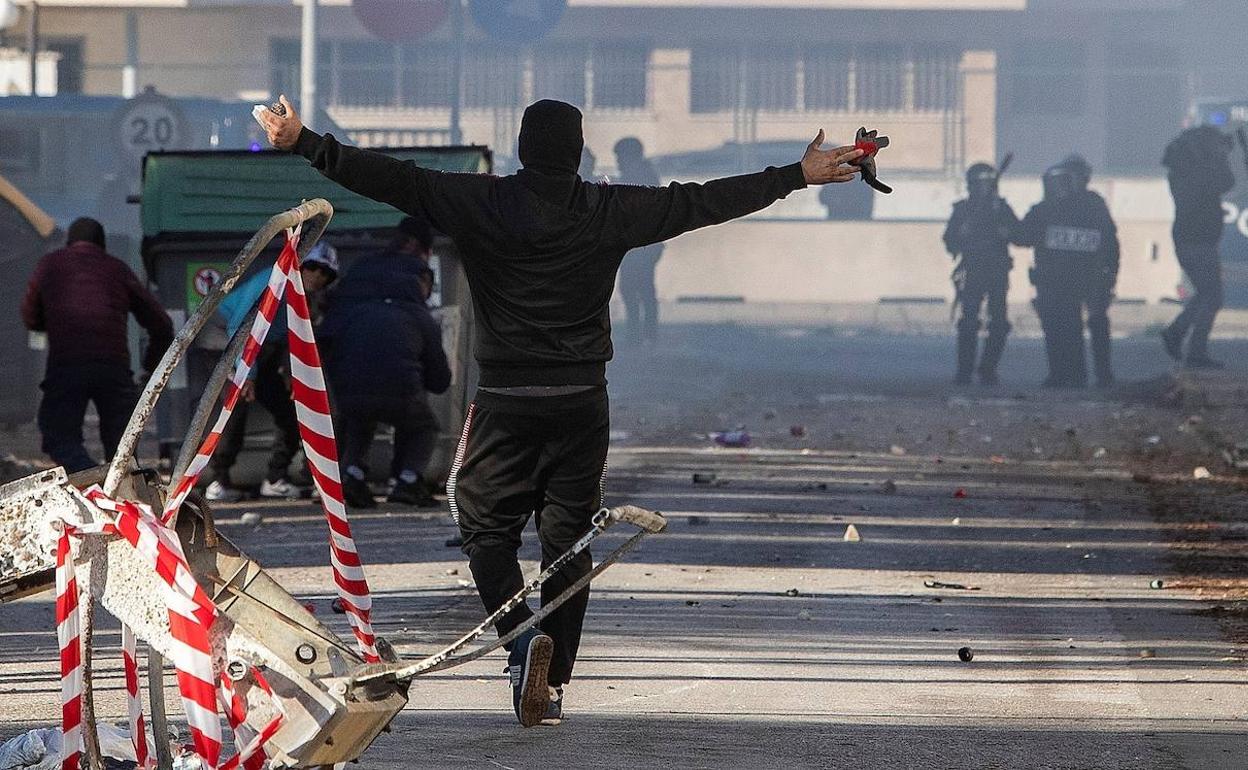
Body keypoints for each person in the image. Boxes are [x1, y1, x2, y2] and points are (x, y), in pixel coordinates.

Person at [259, 94, 863, 728]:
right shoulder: (610, 209)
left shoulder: (480, 201)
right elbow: (701, 201)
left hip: (506, 401)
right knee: (567, 541)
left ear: (523, 148)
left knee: (485, 528)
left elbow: (387, 176)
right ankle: (553, 677)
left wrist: (304, 140)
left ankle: (522, 648)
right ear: (578, 151)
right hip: (581, 401)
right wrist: (796, 175)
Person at [319, 216, 452, 509]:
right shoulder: (417, 313)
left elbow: (325, 337)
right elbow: (440, 380)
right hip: (400, 388)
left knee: (358, 416)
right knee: (422, 423)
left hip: (348, 383)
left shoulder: (355, 287)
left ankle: (351, 475)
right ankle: (406, 480)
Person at [21, 218, 173, 472]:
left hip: (66, 366)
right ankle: (121, 493)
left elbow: (30, 314)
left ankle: (86, 475)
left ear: (70, 241)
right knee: (122, 448)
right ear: (101, 244)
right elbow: (161, 324)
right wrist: (150, 367)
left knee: (59, 437)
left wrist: (49, 324)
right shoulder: (117, 269)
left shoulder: (50, 265)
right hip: (113, 368)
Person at [206, 241, 339, 501]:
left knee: (289, 411)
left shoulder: (305, 299)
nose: (318, 276)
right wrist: (248, 375)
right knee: (235, 405)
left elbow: (290, 340)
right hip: (228, 343)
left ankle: (275, 478)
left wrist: (292, 378)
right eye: (312, 267)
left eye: (326, 273)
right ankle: (217, 481)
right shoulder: (273, 280)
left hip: (261, 352)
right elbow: (239, 327)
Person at [1013, 156, 1120, 388]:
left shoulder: (1092, 206)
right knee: (1056, 326)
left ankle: (1099, 375)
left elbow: (1109, 241)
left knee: (1093, 323)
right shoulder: (1046, 209)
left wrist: (1110, 273)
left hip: (1086, 276)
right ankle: (1062, 374)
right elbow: (1021, 236)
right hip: (1053, 278)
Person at [1161, 126, 1237, 369]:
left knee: (1206, 294)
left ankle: (1177, 332)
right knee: (1213, 297)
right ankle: (1195, 350)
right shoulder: (1193, 171)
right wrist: (1218, 157)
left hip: (1193, 238)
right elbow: (1224, 182)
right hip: (1197, 240)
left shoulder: (1183, 169)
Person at [944, 162, 1019, 386]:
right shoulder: (963, 210)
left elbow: (1018, 233)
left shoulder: (1001, 208)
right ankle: (964, 370)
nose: (980, 188)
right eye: (976, 184)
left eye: (984, 184)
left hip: (997, 270)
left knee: (999, 324)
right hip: (973, 269)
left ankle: (988, 369)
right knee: (968, 322)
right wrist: (961, 234)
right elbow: (950, 241)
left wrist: (1005, 231)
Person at [613, 137, 664, 344]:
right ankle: (645, 334)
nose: (617, 161)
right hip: (642, 242)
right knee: (640, 288)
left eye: (619, 157)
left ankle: (640, 335)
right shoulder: (643, 173)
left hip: (640, 243)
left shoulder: (638, 176)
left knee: (636, 288)